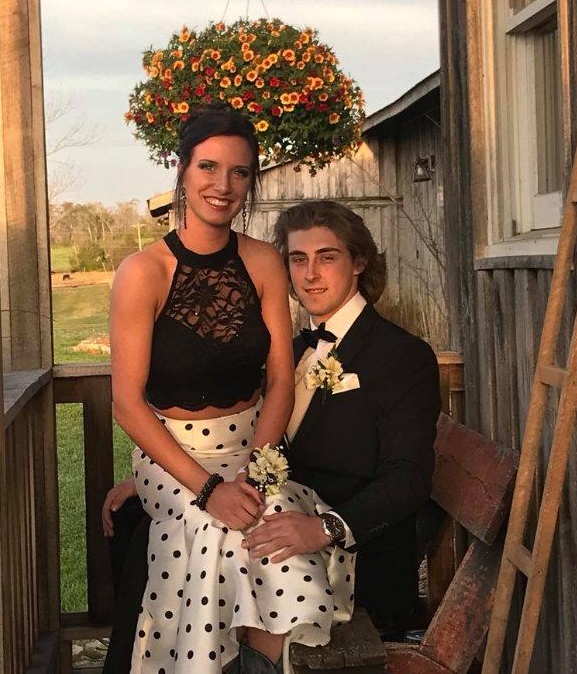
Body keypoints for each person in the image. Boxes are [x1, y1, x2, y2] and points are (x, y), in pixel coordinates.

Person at [104, 106, 352, 674]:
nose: (223, 185)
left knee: (275, 529)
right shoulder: (142, 273)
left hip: (254, 448)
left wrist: (256, 473)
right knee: (216, 529)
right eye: (209, 167)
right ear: (182, 170)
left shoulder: (264, 261)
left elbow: (281, 380)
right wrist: (210, 487)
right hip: (173, 458)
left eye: (240, 172)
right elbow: (126, 403)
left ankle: (265, 662)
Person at [256, 200, 438, 638]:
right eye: (298, 259)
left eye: (326, 257)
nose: (310, 274)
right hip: (284, 534)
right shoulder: (293, 352)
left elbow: (409, 479)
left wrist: (324, 529)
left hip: (359, 562)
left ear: (358, 262)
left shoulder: (402, 356)